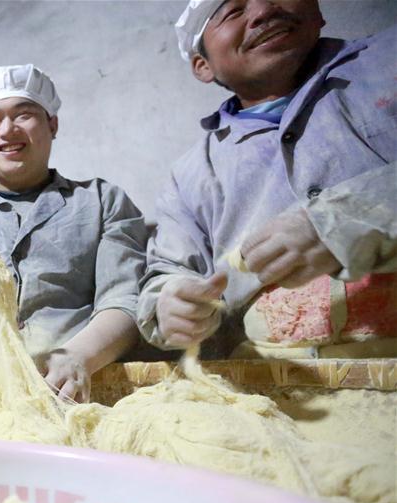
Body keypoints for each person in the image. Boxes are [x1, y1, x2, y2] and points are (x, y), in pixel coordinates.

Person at [138, 0, 396, 358]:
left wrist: (345, 218)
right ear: (203, 65)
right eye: (233, 12)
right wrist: (168, 304)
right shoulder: (191, 174)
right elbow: (170, 271)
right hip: (279, 388)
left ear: (316, 10)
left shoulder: (389, 62)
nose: (262, 12)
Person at [0, 64, 149, 402]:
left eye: (24, 115)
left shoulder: (101, 200)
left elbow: (126, 301)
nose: (7, 130)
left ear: (52, 124)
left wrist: (78, 356)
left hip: (82, 394)